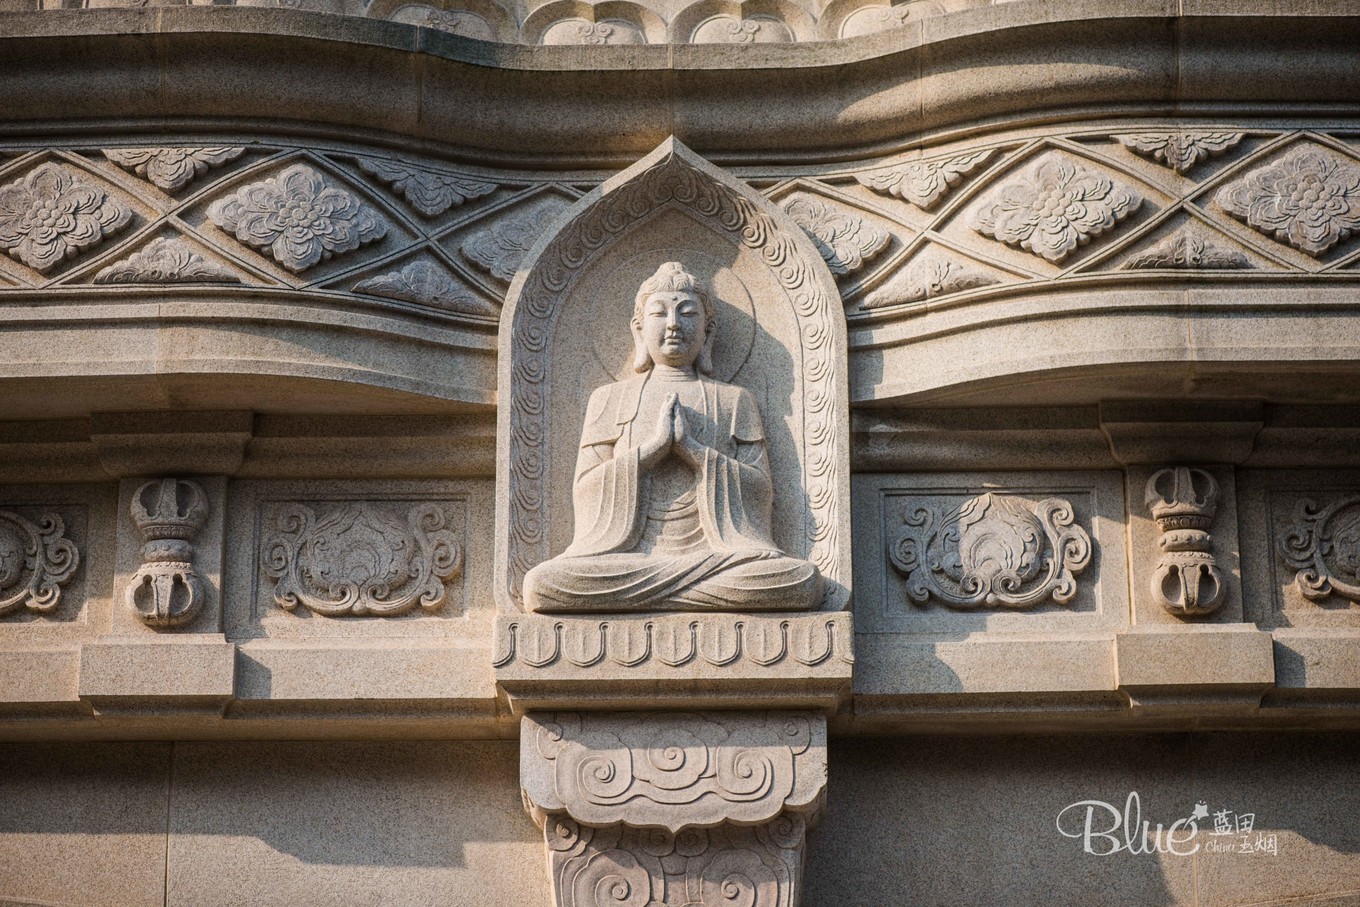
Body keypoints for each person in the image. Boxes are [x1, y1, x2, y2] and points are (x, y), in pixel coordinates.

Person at [522, 262, 822, 612]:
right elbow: (586, 489)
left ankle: (666, 595)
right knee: (545, 584)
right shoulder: (609, 398)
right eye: (659, 313)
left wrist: (693, 451)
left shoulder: (734, 400)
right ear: (639, 329)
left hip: (720, 560)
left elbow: (760, 489)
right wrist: (652, 450)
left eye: (688, 313)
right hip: (626, 563)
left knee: (796, 580)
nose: (674, 324)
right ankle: (683, 594)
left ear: (708, 332)